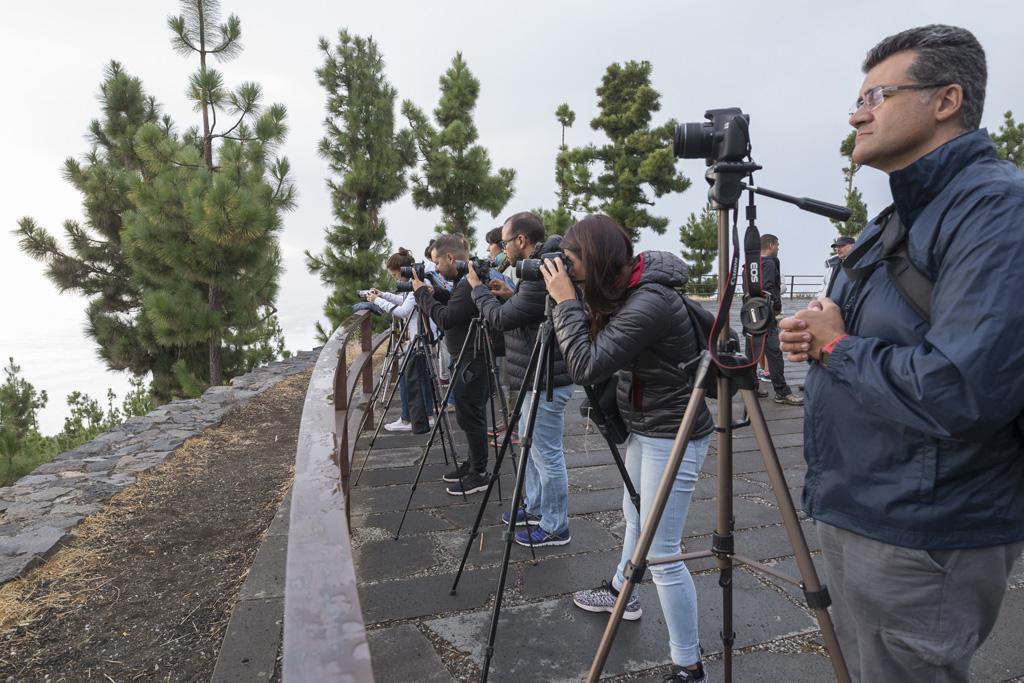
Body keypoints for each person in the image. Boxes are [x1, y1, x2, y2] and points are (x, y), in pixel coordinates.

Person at [779, 25, 1024, 682]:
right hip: (866, 505)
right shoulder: (897, 216)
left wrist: (839, 348)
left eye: (877, 95)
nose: (856, 112)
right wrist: (816, 336)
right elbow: (864, 334)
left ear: (946, 101)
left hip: (925, 529)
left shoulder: (995, 207)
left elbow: (963, 389)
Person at [541, 214, 714, 682]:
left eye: (572, 261)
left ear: (594, 259)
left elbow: (586, 365)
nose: (567, 270)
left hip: (672, 433)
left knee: (663, 552)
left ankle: (688, 663)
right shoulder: (626, 290)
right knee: (634, 515)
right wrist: (570, 302)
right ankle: (623, 591)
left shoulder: (649, 302)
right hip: (646, 425)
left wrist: (564, 304)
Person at [467, 211, 576, 547]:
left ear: (521, 241)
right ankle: (534, 506)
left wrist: (478, 290)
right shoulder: (540, 268)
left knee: (545, 452)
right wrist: (509, 292)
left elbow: (500, 320)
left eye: (505, 241)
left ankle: (556, 525)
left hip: (546, 379)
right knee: (532, 449)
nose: (501, 249)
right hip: (536, 375)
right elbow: (528, 308)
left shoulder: (541, 272)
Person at [412, 234, 491, 495]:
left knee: (472, 416)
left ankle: (479, 473)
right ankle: (473, 463)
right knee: (468, 416)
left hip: (472, 359)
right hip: (466, 357)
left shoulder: (468, 282)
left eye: (436, 261)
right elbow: (458, 305)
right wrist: (439, 293)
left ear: (449, 257)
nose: (434, 267)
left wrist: (423, 295)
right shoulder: (463, 281)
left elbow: (447, 319)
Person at [367, 248, 438, 434]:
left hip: (419, 338)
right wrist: (383, 295)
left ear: (403, 270)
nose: (395, 279)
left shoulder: (419, 283)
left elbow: (403, 311)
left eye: (395, 275)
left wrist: (377, 301)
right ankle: (426, 416)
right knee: (421, 379)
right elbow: (405, 301)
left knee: (409, 379)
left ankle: (409, 419)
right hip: (421, 336)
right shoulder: (418, 281)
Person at [757, 234, 803, 406]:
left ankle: (752, 387)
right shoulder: (769, 263)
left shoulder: (750, 264)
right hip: (768, 315)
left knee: (752, 352)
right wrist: (776, 307)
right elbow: (768, 287)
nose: (778, 248)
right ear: (770, 245)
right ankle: (782, 393)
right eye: (777, 245)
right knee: (774, 353)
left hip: (753, 314)